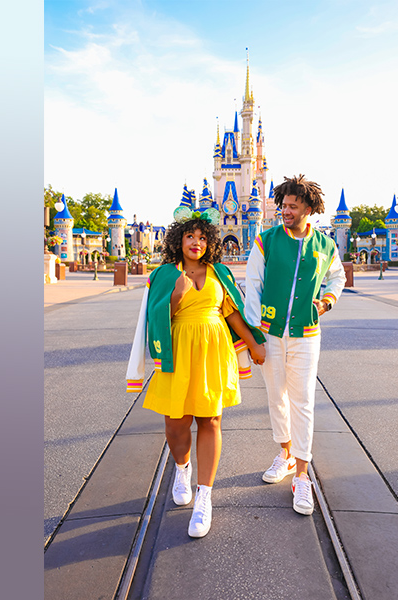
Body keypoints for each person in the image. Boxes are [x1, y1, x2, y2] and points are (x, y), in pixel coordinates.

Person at [126, 209, 266, 538]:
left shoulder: (219, 273)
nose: (197, 242)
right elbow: (154, 315)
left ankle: (205, 496)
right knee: (176, 424)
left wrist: (254, 344)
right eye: (191, 236)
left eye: (203, 238)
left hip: (213, 353)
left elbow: (232, 312)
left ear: (210, 243)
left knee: (210, 420)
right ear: (179, 240)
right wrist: (176, 295)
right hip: (176, 353)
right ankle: (182, 468)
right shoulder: (164, 274)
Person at [244, 174, 345, 516]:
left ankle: (302, 474)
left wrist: (327, 300)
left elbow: (338, 276)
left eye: (292, 206)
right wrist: (256, 332)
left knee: (302, 401)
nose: (285, 210)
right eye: (283, 205)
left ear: (308, 208)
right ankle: (285, 452)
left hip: (306, 333)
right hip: (271, 333)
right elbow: (253, 284)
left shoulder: (325, 245)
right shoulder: (266, 240)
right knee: (276, 396)